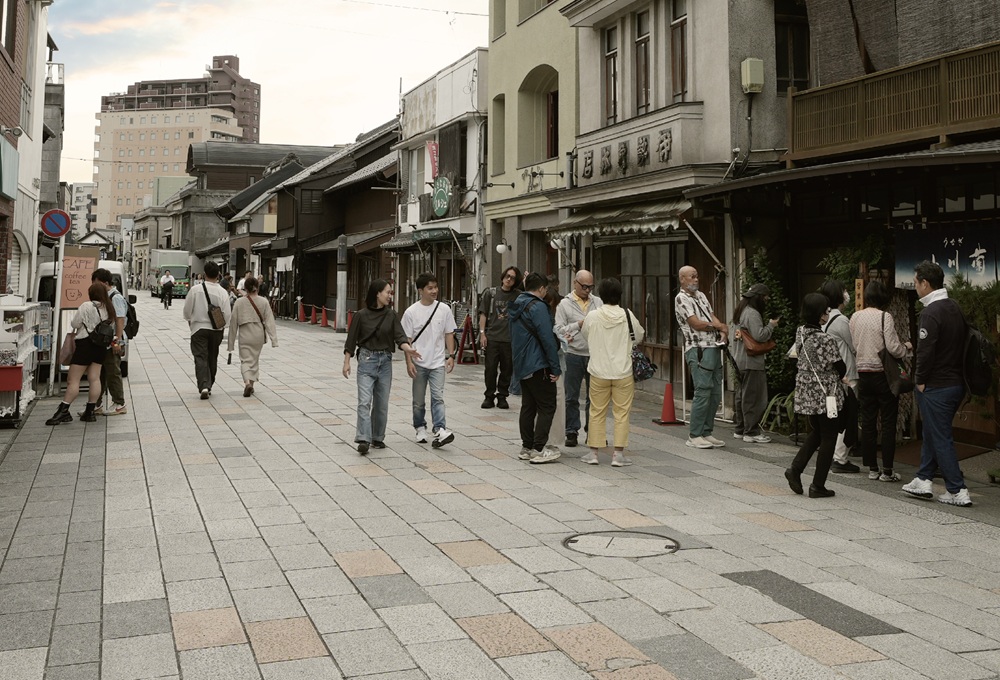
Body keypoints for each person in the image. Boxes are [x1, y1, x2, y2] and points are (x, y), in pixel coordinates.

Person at [903, 260, 972, 507]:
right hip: (956, 383)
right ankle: (923, 478)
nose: (915, 287)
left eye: (916, 282)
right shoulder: (954, 307)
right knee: (934, 432)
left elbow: (925, 351)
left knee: (940, 436)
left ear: (925, 283)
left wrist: (919, 381)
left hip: (936, 385)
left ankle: (957, 490)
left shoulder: (931, 312)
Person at [343, 279, 420, 455]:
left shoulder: (391, 315)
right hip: (366, 360)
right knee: (364, 401)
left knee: (381, 403)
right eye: (387, 292)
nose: (390, 295)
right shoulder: (361, 315)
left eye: (391, 292)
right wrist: (347, 361)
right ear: (377, 293)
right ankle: (363, 438)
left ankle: (377, 437)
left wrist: (409, 349)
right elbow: (351, 339)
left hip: (385, 361)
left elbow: (400, 337)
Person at [784, 293, 845, 498]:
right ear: (820, 315)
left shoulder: (801, 332)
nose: (828, 313)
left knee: (818, 432)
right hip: (825, 393)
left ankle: (795, 469)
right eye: (826, 310)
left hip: (806, 390)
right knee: (829, 436)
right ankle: (818, 485)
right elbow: (840, 366)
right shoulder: (824, 338)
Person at [849, 279, 910, 482]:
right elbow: (893, 348)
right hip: (883, 375)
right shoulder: (885, 317)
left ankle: (872, 468)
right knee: (888, 421)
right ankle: (888, 470)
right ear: (884, 297)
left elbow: (853, 345)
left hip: (863, 374)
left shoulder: (855, 317)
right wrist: (907, 348)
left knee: (867, 421)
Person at [580, 277, 644, 467]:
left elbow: (585, 334)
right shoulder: (627, 315)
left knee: (596, 412)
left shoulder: (592, 316)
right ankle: (618, 455)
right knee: (622, 413)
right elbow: (639, 335)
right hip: (622, 371)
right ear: (620, 295)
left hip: (598, 370)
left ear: (600, 294)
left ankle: (593, 453)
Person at [509, 272, 562, 463]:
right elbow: (547, 339)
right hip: (538, 363)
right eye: (545, 289)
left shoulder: (517, 303)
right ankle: (539, 449)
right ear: (541, 289)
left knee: (528, 406)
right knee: (547, 405)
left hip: (522, 364)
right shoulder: (538, 307)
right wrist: (555, 368)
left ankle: (526, 447)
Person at [674, 265, 728, 449]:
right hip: (697, 348)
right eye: (692, 277)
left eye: (697, 276)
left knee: (714, 391)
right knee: (703, 390)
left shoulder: (702, 296)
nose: (696, 280)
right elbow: (695, 323)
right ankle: (695, 434)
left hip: (713, 346)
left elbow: (712, 317)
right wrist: (719, 327)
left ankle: (707, 431)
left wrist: (723, 330)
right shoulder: (681, 299)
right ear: (682, 279)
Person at [45, 283, 115, 425]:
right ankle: (90, 412)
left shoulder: (86, 306)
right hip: (101, 347)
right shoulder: (109, 308)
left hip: (85, 345)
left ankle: (63, 410)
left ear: (91, 294)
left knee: (73, 380)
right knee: (94, 379)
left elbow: (75, 324)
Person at [402, 272, 457, 448]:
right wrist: (409, 362)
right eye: (430, 288)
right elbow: (406, 340)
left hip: (438, 362)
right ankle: (419, 427)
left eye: (436, 287)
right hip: (419, 362)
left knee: (438, 397)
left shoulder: (444, 309)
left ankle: (440, 429)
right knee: (418, 400)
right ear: (420, 290)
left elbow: (449, 333)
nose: (434, 291)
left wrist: (451, 355)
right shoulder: (411, 312)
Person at [554, 270, 602, 448]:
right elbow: (558, 330)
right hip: (573, 354)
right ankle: (571, 431)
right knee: (571, 396)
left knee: (595, 397)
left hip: (594, 354)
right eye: (584, 286)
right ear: (575, 283)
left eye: (591, 286)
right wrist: (577, 326)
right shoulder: (564, 304)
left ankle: (593, 432)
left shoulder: (598, 302)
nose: (588, 290)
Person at [819, 279, 860, 473]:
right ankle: (840, 458)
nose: (847, 294)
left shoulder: (823, 318)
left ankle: (836, 455)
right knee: (847, 415)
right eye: (844, 291)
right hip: (846, 374)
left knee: (835, 414)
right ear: (838, 295)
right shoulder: (841, 320)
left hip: (831, 374)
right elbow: (854, 346)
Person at [730, 283, 777, 443]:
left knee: (742, 396)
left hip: (739, 360)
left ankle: (740, 429)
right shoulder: (752, 313)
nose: (767, 300)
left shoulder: (741, 311)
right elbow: (759, 336)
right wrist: (771, 325)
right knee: (754, 397)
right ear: (758, 298)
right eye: (765, 297)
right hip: (751, 362)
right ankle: (751, 432)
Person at [182, 261, 231, 399]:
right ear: (218, 275)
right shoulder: (222, 292)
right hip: (216, 329)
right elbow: (227, 313)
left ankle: (204, 385)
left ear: (204, 275)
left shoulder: (195, 290)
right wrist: (223, 326)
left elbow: (187, 310)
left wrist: (189, 320)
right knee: (212, 356)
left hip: (199, 328)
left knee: (200, 357)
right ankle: (210, 383)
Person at [478, 266, 522, 409]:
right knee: (490, 369)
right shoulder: (490, 293)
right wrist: (482, 333)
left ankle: (502, 396)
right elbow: (483, 314)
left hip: (509, 339)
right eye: (508, 276)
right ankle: (489, 396)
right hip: (492, 337)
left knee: (507, 369)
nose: (509, 279)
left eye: (513, 278)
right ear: (503, 276)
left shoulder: (518, 296)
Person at [227, 276, 278, 398]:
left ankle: (247, 382)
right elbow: (270, 321)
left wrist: (230, 343)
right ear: (257, 287)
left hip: (245, 333)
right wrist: (273, 339)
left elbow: (233, 323)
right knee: (254, 359)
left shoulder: (239, 302)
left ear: (245, 288)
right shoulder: (264, 301)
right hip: (258, 334)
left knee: (245, 360)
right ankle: (252, 385)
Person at [87, 268, 128, 417]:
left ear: (105, 283)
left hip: (111, 341)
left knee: (112, 372)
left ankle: (119, 403)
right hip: (103, 341)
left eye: (97, 284)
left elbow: (120, 320)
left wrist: (116, 340)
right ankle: (96, 404)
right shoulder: (105, 297)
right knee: (100, 373)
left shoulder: (115, 297)